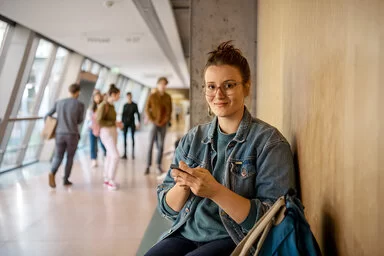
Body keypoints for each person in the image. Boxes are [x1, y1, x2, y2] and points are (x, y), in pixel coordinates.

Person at [145, 41, 296, 256]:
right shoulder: (193, 139)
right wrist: (184, 186)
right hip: (187, 233)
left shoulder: (269, 143)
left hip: (235, 238)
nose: (219, 94)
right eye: (211, 86)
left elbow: (274, 220)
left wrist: (215, 191)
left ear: (247, 86)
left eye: (229, 85)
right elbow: (167, 209)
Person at [46, 83, 85, 188]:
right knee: (70, 157)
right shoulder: (80, 104)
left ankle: (52, 172)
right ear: (78, 92)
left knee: (58, 156)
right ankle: (66, 179)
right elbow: (80, 120)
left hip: (59, 133)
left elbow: (47, 115)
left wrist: (56, 122)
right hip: (72, 134)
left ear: (69, 91)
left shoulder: (59, 102)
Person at [96, 84, 123, 191]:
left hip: (113, 131)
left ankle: (107, 178)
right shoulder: (103, 105)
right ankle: (110, 180)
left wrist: (116, 124)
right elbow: (99, 120)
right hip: (106, 132)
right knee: (115, 155)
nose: (119, 97)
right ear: (113, 94)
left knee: (109, 155)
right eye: (118, 95)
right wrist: (113, 123)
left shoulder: (111, 106)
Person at [144, 77, 172, 175]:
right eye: (161, 84)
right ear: (158, 84)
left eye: (165, 84)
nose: (163, 86)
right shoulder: (152, 96)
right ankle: (148, 165)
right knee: (150, 144)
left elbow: (170, 111)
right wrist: (152, 120)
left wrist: (165, 120)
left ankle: (159, 165)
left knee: (161, 145)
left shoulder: (168, 97)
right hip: (154, 123)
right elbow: (147, 109)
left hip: (163, 124)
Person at [86, 91, 107, 167]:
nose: (97, 98)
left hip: (101, 129)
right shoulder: (91, 108)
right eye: (96, 97)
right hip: (92, 129)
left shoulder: (103, 107)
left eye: (98, 97)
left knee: (103, 143)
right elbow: (88, 119)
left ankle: (106, 155)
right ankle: (93, 159)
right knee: (93, 145)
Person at [121, 92, 140, 160]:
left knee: (132, 138)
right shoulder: (125, 105)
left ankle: (133, 154)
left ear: (131, 97)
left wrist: (138, 122)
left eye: (130, 96)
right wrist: (122, 123)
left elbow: (138, 114)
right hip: (125, 123)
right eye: (128, 96)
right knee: (125, 138)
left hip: (132, 123)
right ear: (127, 97)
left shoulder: (134, 105)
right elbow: (123, 115)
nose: (129, 97)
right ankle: (125, 154)